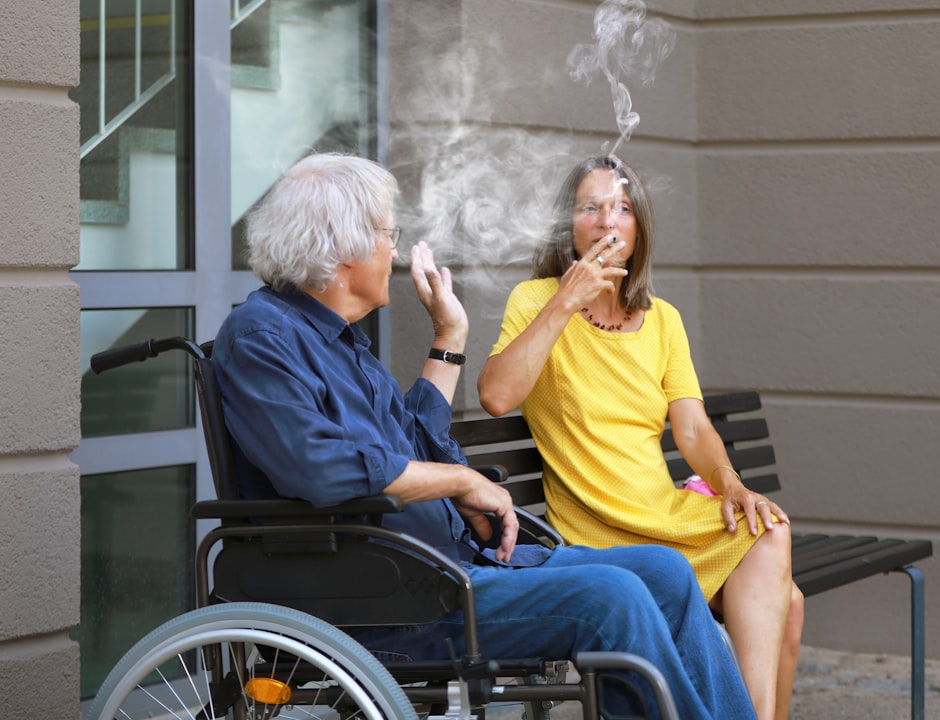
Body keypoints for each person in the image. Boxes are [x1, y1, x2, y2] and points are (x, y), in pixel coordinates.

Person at [212, 152, 756, 720]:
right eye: (387, 235)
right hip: (390, 599)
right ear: (343, 246)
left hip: (448, 568)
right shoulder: (262, 336)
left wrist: (450, 336)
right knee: (612, 598)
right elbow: (320, 469)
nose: (394, 252)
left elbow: (414, 439)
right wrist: (459, 480)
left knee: (666, 573)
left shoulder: (342, 343)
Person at [477, 154, 805, 720]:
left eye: (623, 208)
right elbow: (496, 396)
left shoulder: (663, 319)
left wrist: (730, 484)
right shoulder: (536, 300)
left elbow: (692, 426)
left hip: (662, 515)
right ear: (568, 225)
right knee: (787, 601)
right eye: (591, 207)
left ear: (639, 228)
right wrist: (567, 301)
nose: (608, 221)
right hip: (595, 528)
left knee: (771, 534)